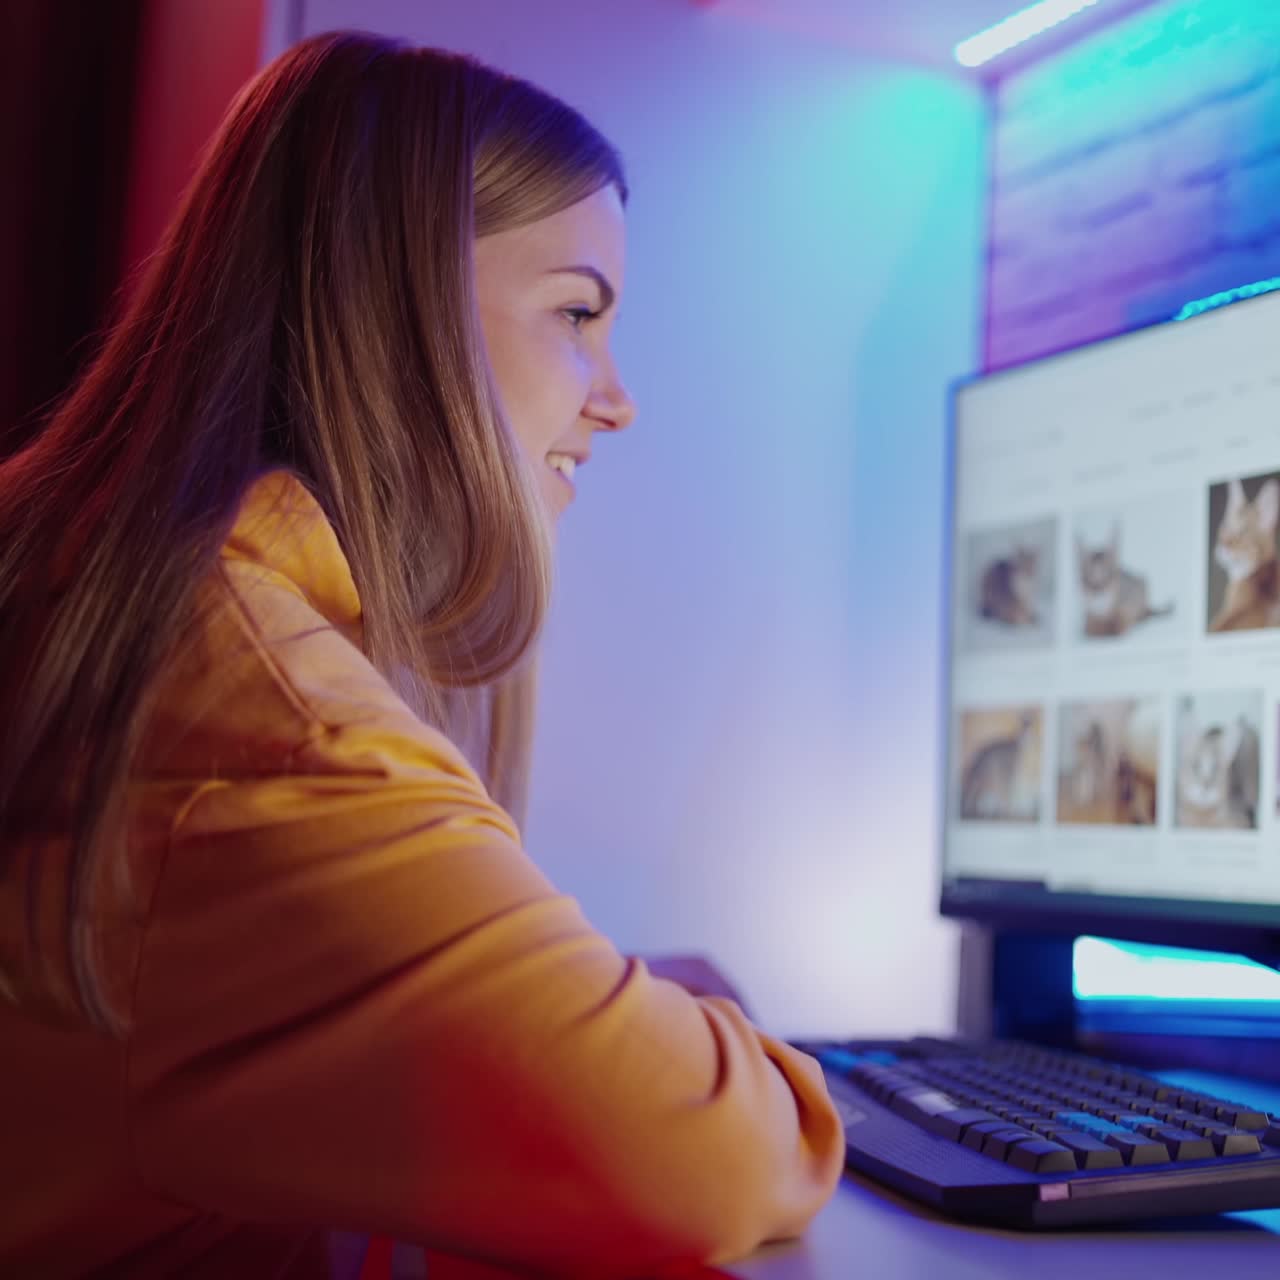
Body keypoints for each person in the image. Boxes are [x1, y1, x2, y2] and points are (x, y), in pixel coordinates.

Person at [0, 30, 844, 1279]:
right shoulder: (262, 718)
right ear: (395, 304)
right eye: (576, 313)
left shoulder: (146, 604)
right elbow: (707, 1157)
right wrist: (729, 1041)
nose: (616, 396)